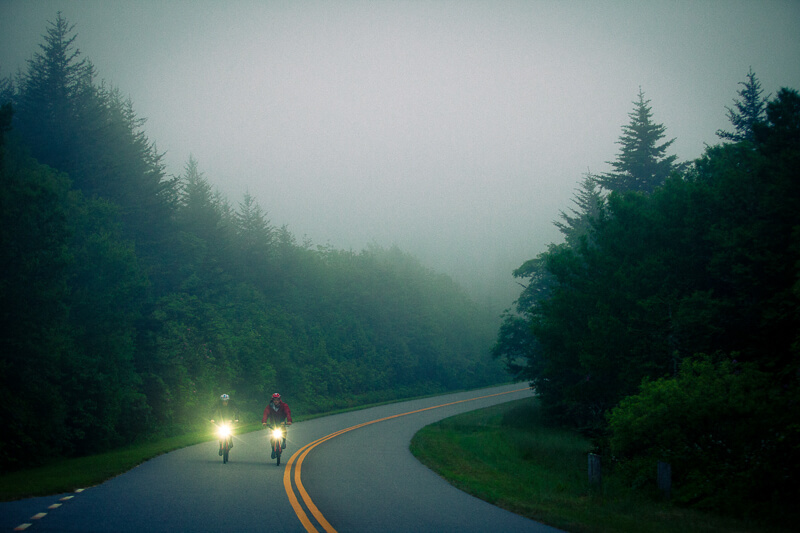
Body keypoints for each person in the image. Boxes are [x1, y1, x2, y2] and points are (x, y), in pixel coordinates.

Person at [262, 392, 292, 458]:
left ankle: (283, 441)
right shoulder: (269, 407)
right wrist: (264, 422)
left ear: (279, 400)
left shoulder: (284, 405)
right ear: (272, 400)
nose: (276, 401)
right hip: (273, 423)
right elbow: (265, 414)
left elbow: (288, 412)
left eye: (277, 399)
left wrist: (289, 420)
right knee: (272, 437)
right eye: (274, 400)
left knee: (283, 430)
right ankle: (273, 450)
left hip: (281, 422)